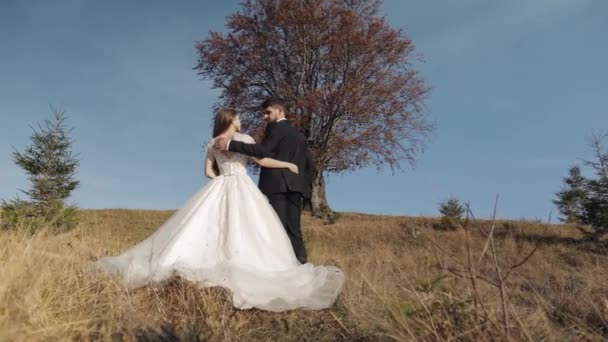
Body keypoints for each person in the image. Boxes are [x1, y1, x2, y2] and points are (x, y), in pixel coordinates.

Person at [93, 108, 344, 312]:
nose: (241, 120)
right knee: (252, 228)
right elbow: (262, 159)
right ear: (231, 120)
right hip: (242, 186)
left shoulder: (214, 142)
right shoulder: (243, 140)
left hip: (222, 184)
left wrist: (220, 180)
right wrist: (287, 164)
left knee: (208, 226)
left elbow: (207, 171)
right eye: (238, 118)